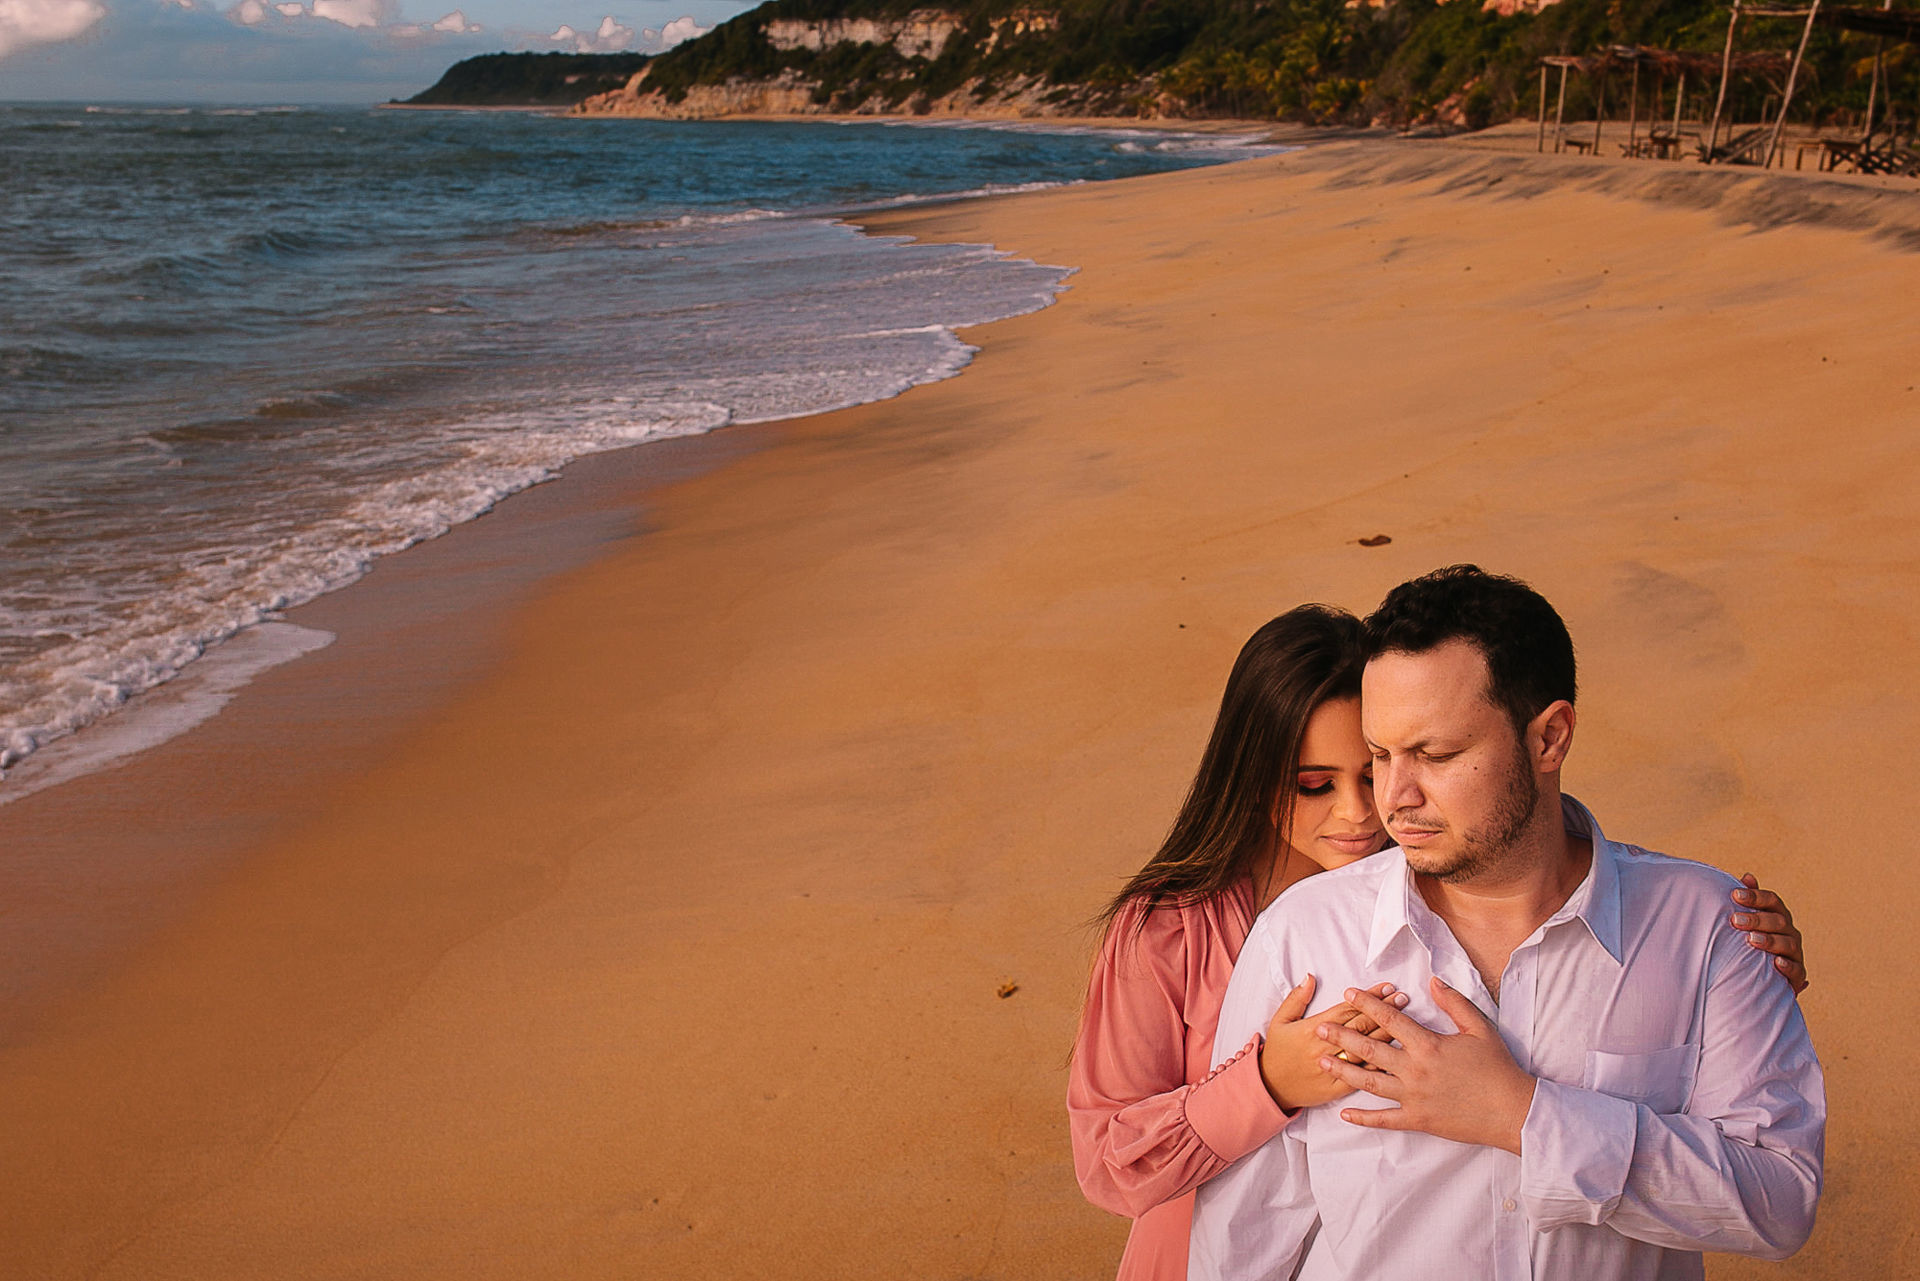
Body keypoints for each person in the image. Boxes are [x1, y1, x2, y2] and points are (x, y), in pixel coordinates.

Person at [1069, 602, 1809, 1281]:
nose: (1379, 806)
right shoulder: (1270, 934)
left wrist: (1530, 1111)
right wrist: (1267, 1078)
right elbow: (1222, 1225)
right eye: (1326, 779)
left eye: (1426, 756)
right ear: (1258, 780)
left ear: (1549, 737)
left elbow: (1778, 1196)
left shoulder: (1699, 922)